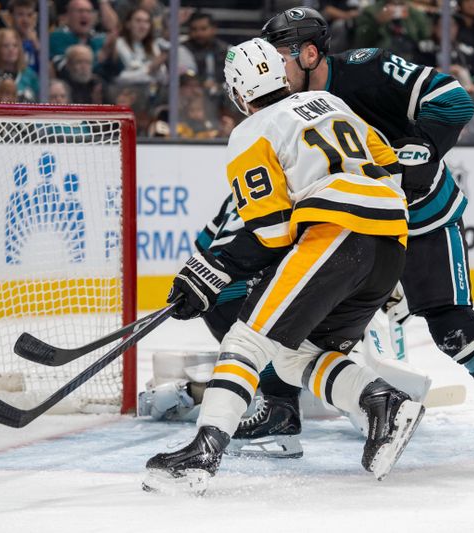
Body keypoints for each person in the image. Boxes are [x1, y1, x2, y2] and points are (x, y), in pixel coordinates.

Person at [255, 6, 474, 469]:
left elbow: (454, 99)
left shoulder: (367, 70)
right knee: (297, 324)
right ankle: (282, 412)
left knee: (453, 326)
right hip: (355, 228)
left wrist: (418, 154)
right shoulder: (281, 109)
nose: (271, 69)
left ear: (308, 54)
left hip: (421, 219)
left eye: (279, 56)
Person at [143, 38, 423, 492]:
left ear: (238, 92)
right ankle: (380, 401)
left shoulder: (250, 133)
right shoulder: (330, 102)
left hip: (335, 236)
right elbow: (389, 165)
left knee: (245, 338)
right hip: (391, 242)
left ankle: (203, 451)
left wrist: (214, 268)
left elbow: (271, 231)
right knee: (295, 356)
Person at [0, 28, 38, 102]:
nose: (11, 49)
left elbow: (39, 99)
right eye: (5, 46)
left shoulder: (30, 75)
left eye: (15, 45)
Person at [113, 7, 166, 85]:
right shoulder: (119, 44)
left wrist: (157, 69)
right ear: (128, 24)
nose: (143, 26)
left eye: (146, 22)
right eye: (138, 21)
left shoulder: (153, 45)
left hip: (151, 90)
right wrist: (149, 69)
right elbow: (119, 77)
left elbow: (163, 76)